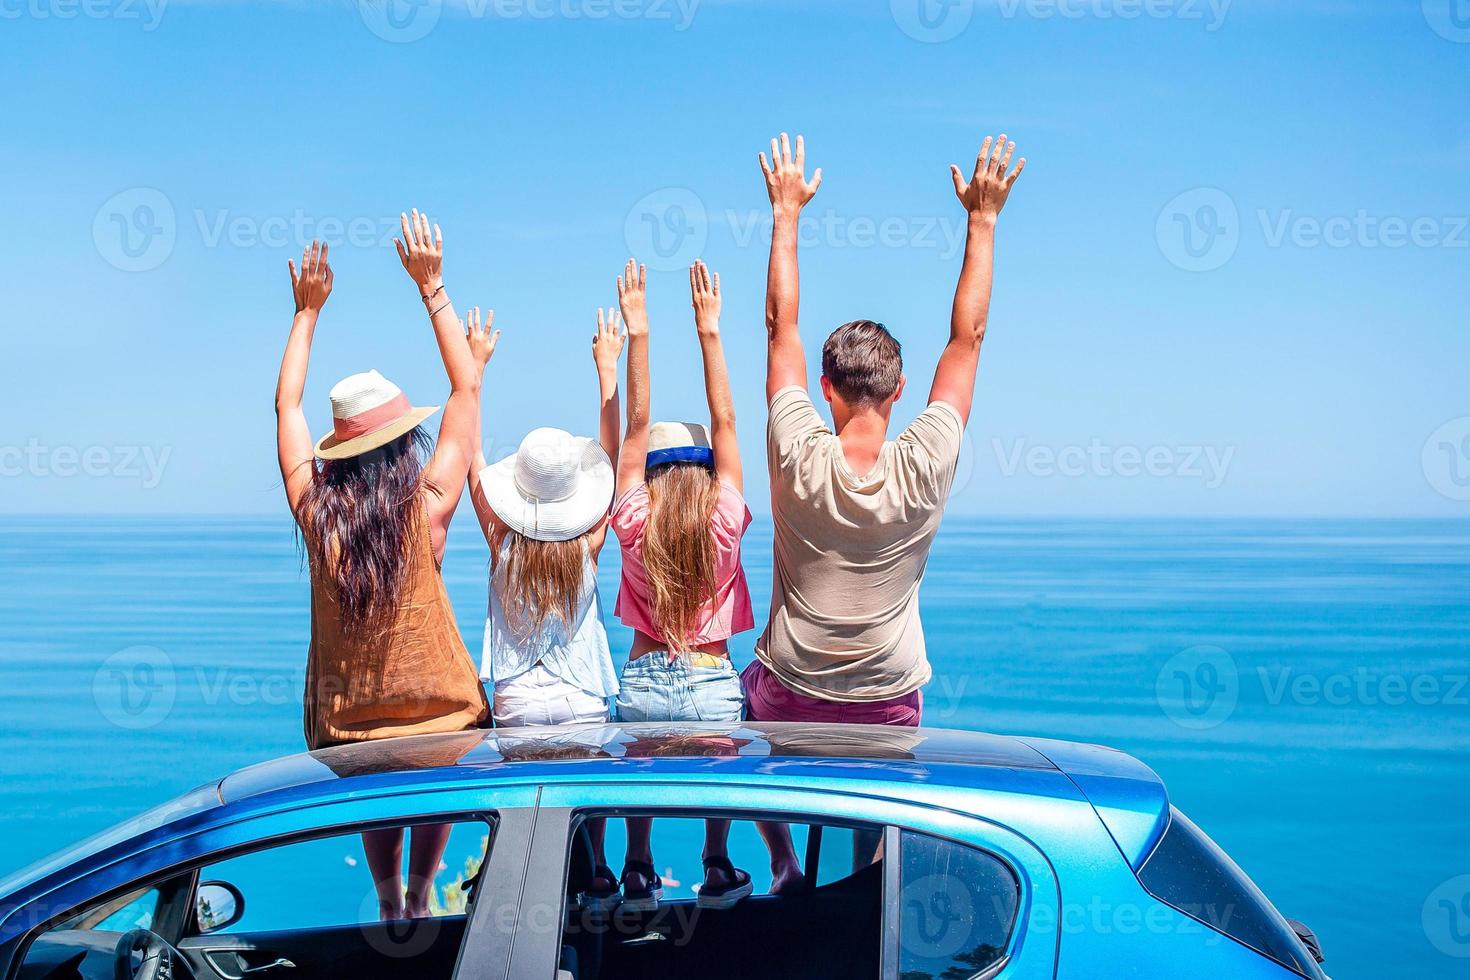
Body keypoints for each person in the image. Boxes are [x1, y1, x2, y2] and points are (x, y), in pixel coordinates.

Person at [746, 133, 1026, 889]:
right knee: (878, 807)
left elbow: (780, 329)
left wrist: (785, 211)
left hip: (791, 694)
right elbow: (967, 338)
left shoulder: (798, 452)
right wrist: (984, 221)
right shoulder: (926, 458)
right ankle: (868, 882)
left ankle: (780, 866)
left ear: (826, 391)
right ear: (898, 392)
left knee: (743, 699)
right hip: (886, 697)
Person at [273, 211, 491, 920]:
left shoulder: (319, 518)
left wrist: (306, 313)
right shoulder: (425, 508)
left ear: (339, 456)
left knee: (376, 784)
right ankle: (423, 893)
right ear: (402, 447)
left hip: (349, 731)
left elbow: (287, 405)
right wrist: (433, 288)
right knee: (436, 772)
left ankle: (392, 896)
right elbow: (466, 392)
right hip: (443, 722)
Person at [464, 304, 625, 908]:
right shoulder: (588, 543)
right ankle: (602, 871)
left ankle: (512, 900)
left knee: (525, 815)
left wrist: (473, 373)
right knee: (586, 806)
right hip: (582, 695)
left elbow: (471, 455)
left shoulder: (499, 542)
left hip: (519, 700)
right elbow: (610, 454)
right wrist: (608, 369)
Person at [608, 258, 756, 911]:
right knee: (718, 778)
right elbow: (726, 424)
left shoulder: (634, 518)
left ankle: (637, 868)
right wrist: (710, 330)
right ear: (706, 468)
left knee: (638, 778)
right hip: (711, 679)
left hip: (643, 681)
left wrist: (639, 334)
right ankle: (717, 863)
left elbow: (633, 429)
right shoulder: (724, 519)